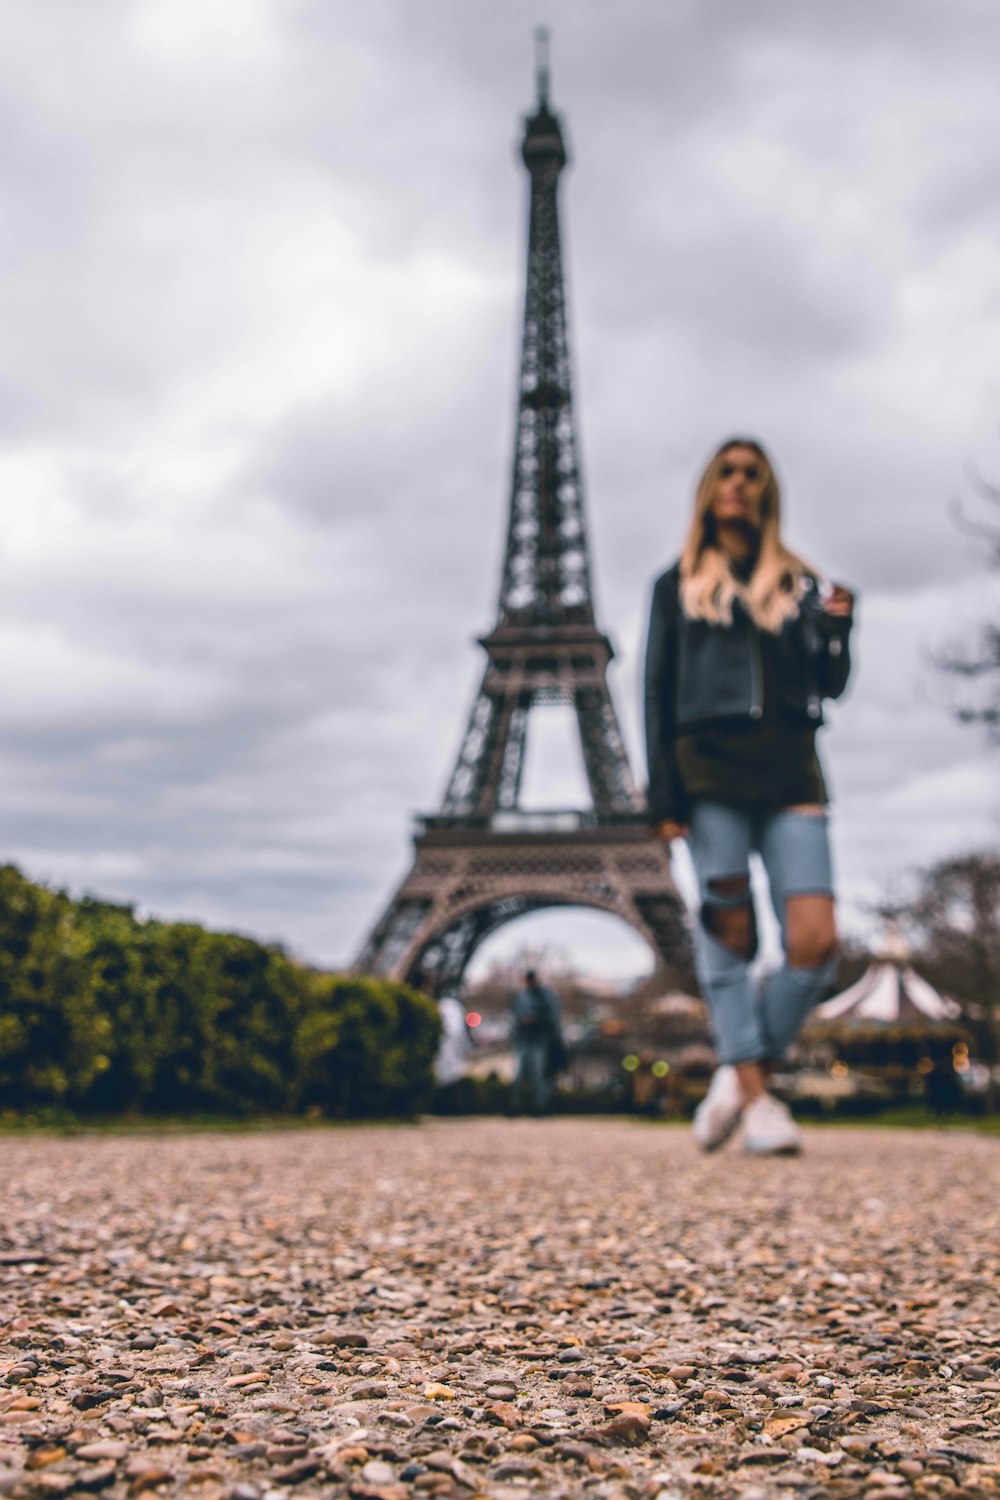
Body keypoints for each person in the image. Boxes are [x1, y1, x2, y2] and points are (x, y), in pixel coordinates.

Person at [643, 437, 855, 1155]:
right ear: (709, 487)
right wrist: (661, 795)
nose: (739, 483)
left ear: (767, 491)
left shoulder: (795, 584)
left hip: (791, 765)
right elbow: (655, 692)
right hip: (709, 770)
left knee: (816, 942)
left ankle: (739, 1069)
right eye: (727, 472)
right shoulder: (675, 586)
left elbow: (829, 685)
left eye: (752, 474)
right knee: (727, 937)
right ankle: (761, 1102)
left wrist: (838, 630)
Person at [510, 968, 564, 1116]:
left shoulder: (544, 996)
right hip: (525, 1040)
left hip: (539, 1040)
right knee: (520, 1075)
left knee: (538, 1075)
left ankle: (539, 1106)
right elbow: (515, 1016)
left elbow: (552, 1018)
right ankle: (520, 1105)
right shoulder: (524, 996)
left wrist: (535, 1020)